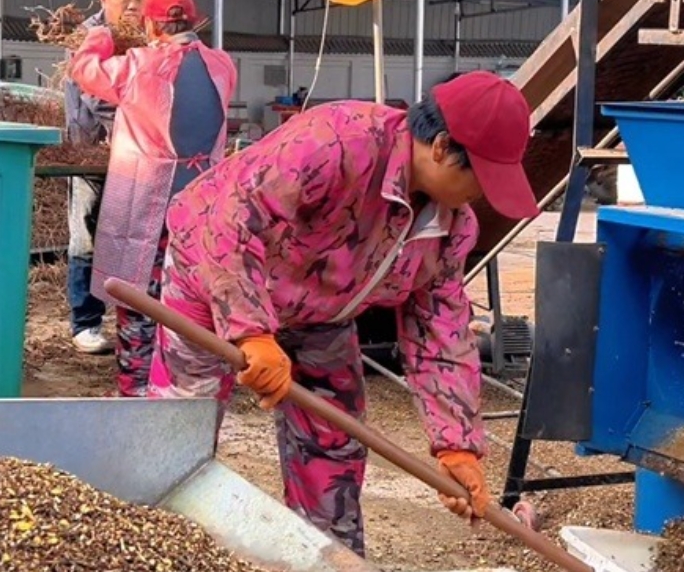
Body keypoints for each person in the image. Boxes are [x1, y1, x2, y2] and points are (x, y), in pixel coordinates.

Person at [138, 71, 540, 555]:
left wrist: (458, 444)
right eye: (482, 176)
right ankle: (152, 546)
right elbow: (232, 218)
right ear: (440, 147)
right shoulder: (336, 141)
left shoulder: (452, 226)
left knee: (334, 442)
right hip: (213, 276)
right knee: (181, 427)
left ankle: (327, 558)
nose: (485, 194)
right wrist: (251, 330)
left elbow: (441, 329)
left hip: (318, 314)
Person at [69, 0, 238, 396]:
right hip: (201, 202)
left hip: (148, 202)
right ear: (193, 20)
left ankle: (136, 390)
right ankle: (179, 385)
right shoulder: (222, 64)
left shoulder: (140, 65)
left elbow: (84, 70)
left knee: (139, 300)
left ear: (149, 24)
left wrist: (101, 35)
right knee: (188, 301)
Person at [63, 0, 147, 355]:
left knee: (127, 238)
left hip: (133, 158)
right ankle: (85, 322)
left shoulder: (145, 37)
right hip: (91, 151)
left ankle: (131, 318)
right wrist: (138, 125)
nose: (132, 5)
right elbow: (96, 93)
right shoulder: (87, 37)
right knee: (85, 236)